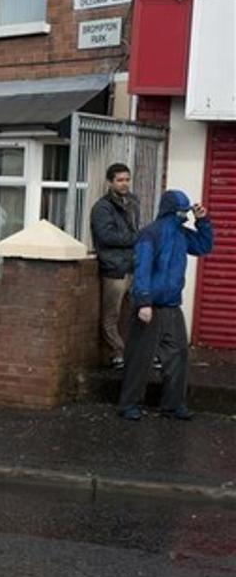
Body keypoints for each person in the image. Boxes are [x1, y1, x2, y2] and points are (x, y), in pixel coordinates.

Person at [118, 191, 213, 422]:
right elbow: (142, 270)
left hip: (171, 306)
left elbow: (203, 246)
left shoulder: (181, 233)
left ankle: (173, 405)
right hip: (150, 306)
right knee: (140, 358)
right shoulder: (150, 235)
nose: (185, 215)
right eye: (183, 211)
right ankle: (129, 404)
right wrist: (144, 302)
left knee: (178, 356)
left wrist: (203, 221)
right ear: (172, 210)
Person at [90, 163, 142, 370]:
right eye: (120, 180)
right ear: (110, 182)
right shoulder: (102, 207)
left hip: (132, 265)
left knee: (134, 311)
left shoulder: (133, 202)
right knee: (111, 314)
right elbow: (105, 236)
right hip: (114, 267)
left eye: (127, 179)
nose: (124, 183)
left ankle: (133, 350)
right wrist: (135, 238)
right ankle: (117, 352)